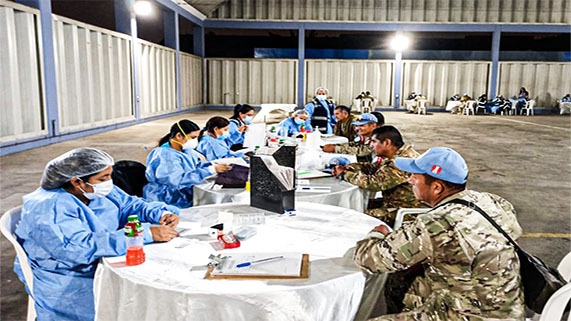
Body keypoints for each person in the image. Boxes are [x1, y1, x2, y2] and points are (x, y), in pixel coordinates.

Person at [353, 147, 524, 321]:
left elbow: (370, 260)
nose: (410, 180)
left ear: (436, 188)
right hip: (508, 308)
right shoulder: (493, 201)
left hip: (467, 314)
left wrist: (376, 235)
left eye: (415, 177)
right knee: (405, 281)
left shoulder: (437, 223)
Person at [14, 148, 181, 321]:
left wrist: (160, 213)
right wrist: (142, 233)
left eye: (109, 175)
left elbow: (129, 205)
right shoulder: (50, 207)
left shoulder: (93, 189)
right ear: (77, 181)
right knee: (138, 301)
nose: (109, 182)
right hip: (69, 277)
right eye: (103, 178)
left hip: (102, 256)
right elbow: (77, 249)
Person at [332, 126, 425, 226]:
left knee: (354, 216)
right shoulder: (397, 154)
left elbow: (374, 184)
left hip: (405, 211)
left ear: (387, 143)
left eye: (374, 141)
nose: (371, 146)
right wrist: (350, 167)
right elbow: (375, 168)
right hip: (392, 203)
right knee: (353, 204)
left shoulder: (403, 161)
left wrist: (344, 174)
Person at [144, 120, 231, 208]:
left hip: (184, 192)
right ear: (179, 136)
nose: (195, 141)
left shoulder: (186, 150)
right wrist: (210, 170)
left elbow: (195, 165)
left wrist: (212, 165)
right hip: (167, 198)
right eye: (193, 138)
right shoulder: (165, 155)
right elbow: (176, 180)